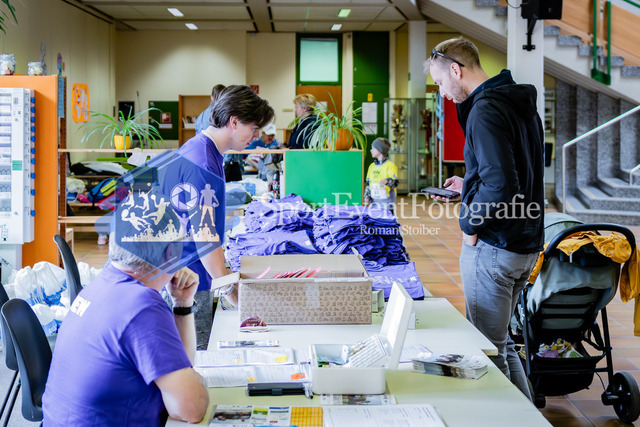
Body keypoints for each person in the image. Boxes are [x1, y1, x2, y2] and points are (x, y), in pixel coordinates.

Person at [426, 37, 544, 400]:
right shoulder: (516, 100)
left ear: (456, 70)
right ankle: (529, 418)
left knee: (487, 353)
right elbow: (518, 170)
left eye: (440, 83)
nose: (442, 93)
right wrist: (469, 183)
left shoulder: (484, 110)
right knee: (501, 344)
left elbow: (502, 184)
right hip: (524, 242)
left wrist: (469, 225)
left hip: (495, 246)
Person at [43, 189, 209, 426]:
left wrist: (182, 305)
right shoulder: (141, 305)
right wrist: (198, 382)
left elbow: (180, 364)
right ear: (171, 252)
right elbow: (191, 409)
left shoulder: (100, 286)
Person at [164, 85, 274, 348]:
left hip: (182, 270)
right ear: (234, 122)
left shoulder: (201, 150)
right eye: (254, 128)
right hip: (187, 277)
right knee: (195, 356)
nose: (256, 136)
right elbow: (205, 239)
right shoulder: (203, 163)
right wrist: (230, 291)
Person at [364, 137, 398, 214]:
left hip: (387, 206)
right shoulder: (371, 166)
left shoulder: (390, 166)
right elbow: (368, 185)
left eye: (373, 148)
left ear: (380, 150)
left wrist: (387, 181)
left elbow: (395, 183)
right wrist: (367, 197)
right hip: (374, 206)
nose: (371, 150)